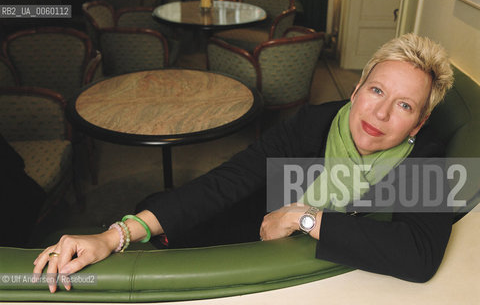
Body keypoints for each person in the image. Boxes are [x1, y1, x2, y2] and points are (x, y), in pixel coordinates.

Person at [33, 33, 454, 293]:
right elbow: (229, 179)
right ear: (357, 88)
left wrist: (304, 217)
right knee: (162, 208)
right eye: (377, 91)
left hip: (317, 275)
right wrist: (114, 235)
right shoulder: (313, 122)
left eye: (403, 105)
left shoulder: (427, 159)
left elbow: (419, 257)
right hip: (252, 232)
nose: (380, 114)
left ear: (420, 122)